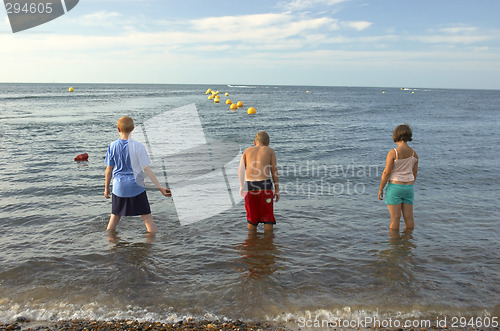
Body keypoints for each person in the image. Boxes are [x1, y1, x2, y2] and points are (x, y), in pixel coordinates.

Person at [104, 116, 171, 233]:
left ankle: (111, 246)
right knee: (147, 219)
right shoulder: (138, 146)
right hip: (136, 187)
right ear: (133, 128)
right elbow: (147, 169)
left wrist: (106, 188)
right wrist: (160, 187)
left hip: (119, 187)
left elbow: (109, 169)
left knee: (114, 217)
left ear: (118, 129)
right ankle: (150, 247)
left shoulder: (112, 146)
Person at [378, 124, 418, 230]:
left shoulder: (393, 153)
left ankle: (394, 244)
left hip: (395, 187)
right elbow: (414, 173)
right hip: (409, 188)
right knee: (409, 218)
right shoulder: (414, 154)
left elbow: (386, 172)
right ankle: (408, 242)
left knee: (395, 218)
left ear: (396, 136)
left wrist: (381, 188)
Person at [239, 130, 280, 232]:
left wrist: (241, 186)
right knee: (268, 218)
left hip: (249, 187)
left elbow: (240, 170)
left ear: (254, 142)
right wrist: (277, 190)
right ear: (268, 143)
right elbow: (274, 171)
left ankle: (251, 244)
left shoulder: (247, 151)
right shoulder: (270, 151)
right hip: (265, 186)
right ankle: (268, 244)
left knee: (252, 219)